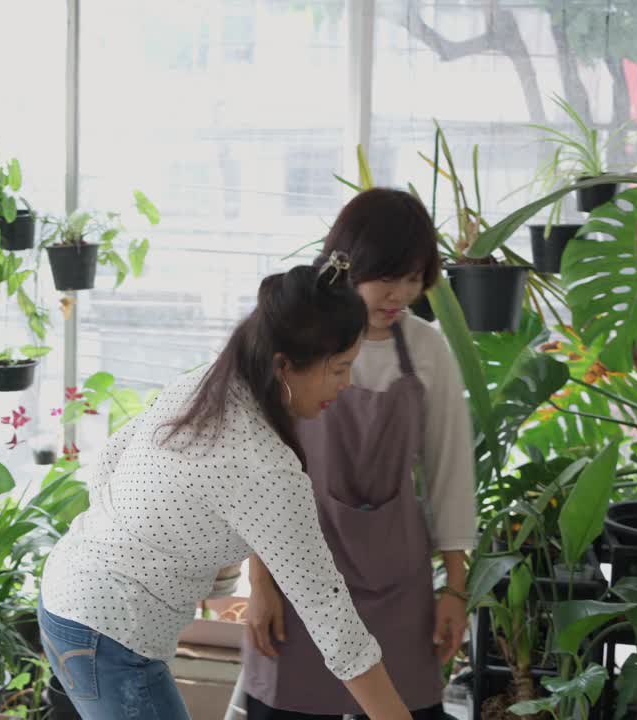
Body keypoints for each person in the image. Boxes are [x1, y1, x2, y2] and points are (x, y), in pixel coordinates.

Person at [39, 254, 413, 720]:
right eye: (338, 368)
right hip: (110, 635)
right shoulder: (265, 469)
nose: (347, 383)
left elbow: (112, 458)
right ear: (284, 365)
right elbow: (331, 618)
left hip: (65, 595)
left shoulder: (207, 385)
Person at [241, 189, 477, 720]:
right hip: (299, 567)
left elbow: (451, 471)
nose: (400, 294)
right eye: (387, 277)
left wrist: (456, 590)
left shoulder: (428, 350)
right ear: (346, 263)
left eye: (414, 279)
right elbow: (253, 475)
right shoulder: (294, 341)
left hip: (396, 576)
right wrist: (260, 583)